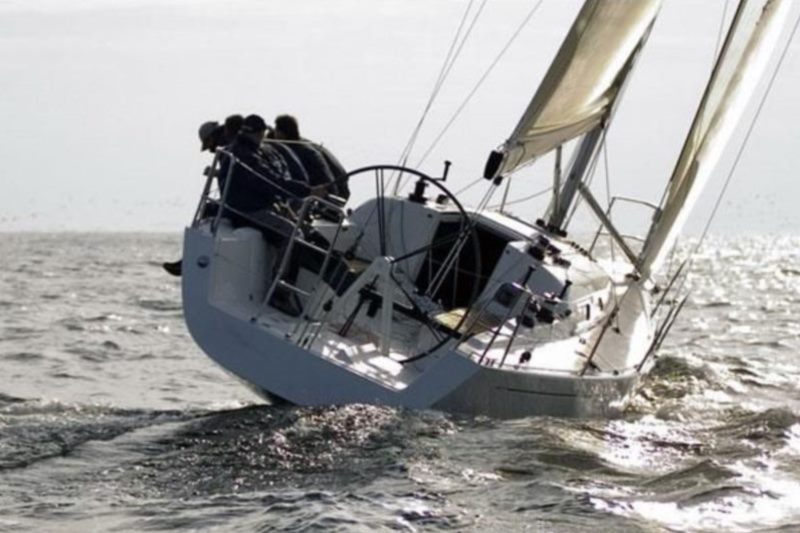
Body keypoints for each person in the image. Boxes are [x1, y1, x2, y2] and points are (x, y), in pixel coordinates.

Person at [272, 114, 350, 199]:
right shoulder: (308, 145)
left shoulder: (293, 151)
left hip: (323, 195)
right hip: (339, 192)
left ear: (281, 133)